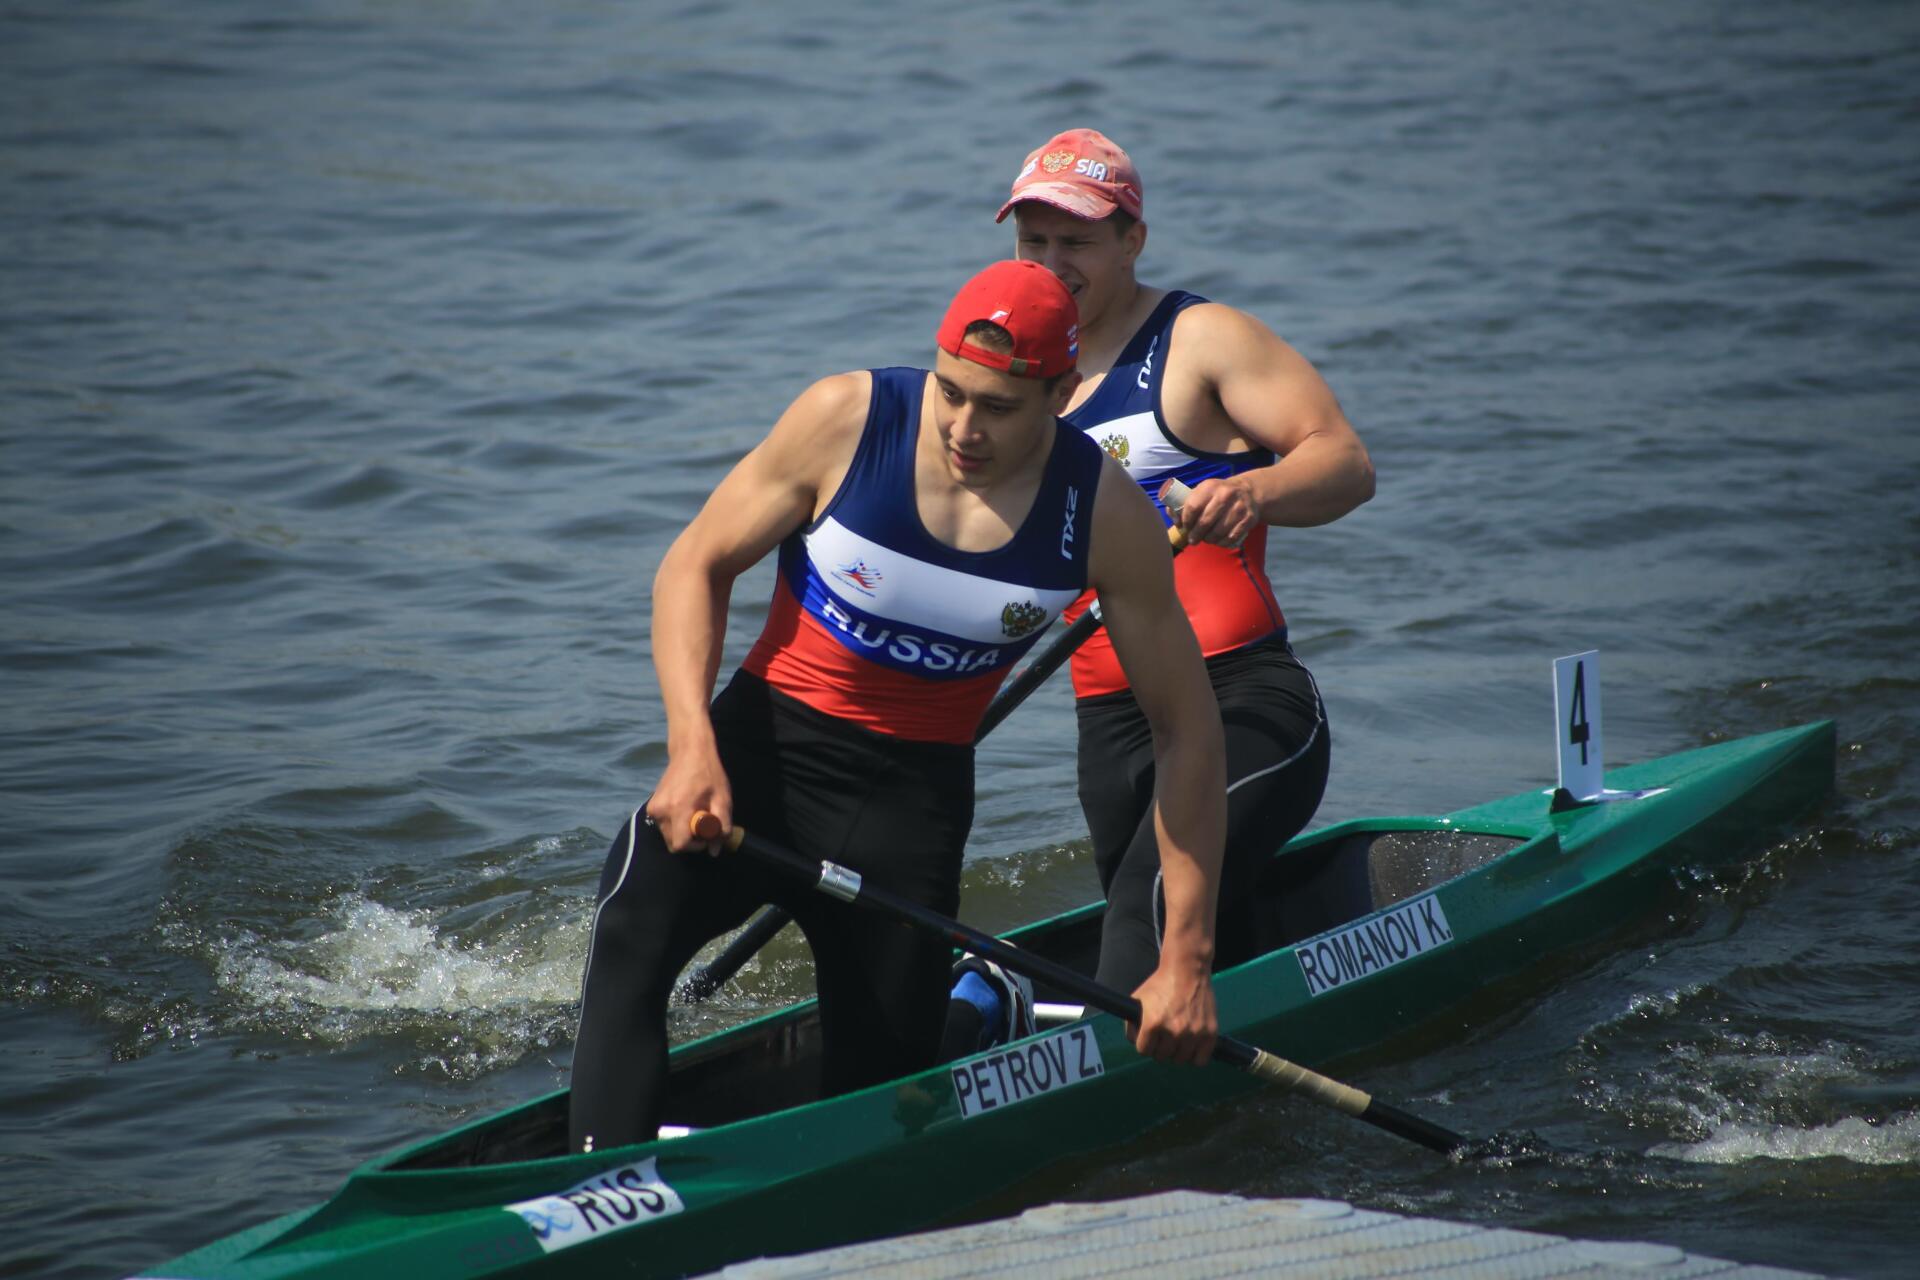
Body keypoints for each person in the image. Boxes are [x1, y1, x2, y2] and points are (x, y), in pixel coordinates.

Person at [569, 260, 1228, 1154]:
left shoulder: (1105, 513)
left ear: (1062, 393)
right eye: (950, 392)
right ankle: (599, 1190)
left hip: (909, 810)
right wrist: (691, 747)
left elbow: (1187, 730)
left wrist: (1185, 959)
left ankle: (978, 1010)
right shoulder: (847, 420)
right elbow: (695, 564)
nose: (964, 427)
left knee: (883, 1101)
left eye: (999, 407)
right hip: (758, 760)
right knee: (628, 936)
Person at [993, 129, 1375, 998]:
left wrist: (1255, 493)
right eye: (1033, 241)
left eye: (1076, 241)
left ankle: (1107, 1065)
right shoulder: (1011, 376)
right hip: (1110, 727)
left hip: (1240, 699)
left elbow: (1346, 464)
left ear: (1132, 240)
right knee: (1182, 933)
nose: (1050, 263)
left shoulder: (1200, 339)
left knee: (1146, 913)